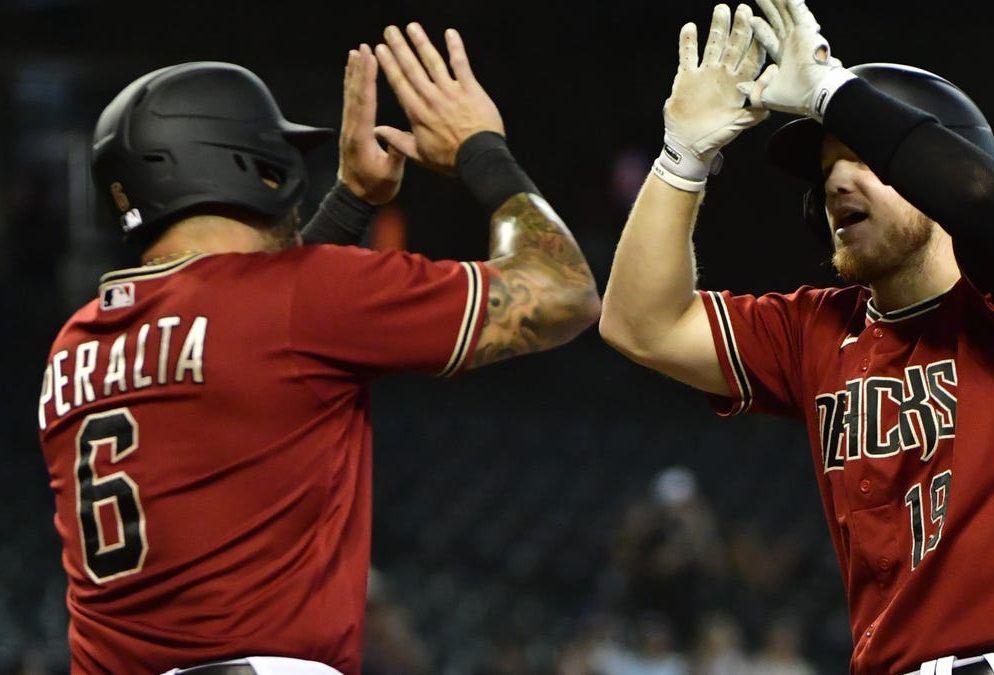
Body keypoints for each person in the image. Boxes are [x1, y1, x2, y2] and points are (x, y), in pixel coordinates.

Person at [37, 22, 599, 675]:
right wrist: (481, 149)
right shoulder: (301, 298)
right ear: (249, 165)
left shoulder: (75, 342)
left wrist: (352, 202)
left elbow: (258, 339)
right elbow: (564, 292)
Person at [600, 1, 994, 673]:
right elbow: (639, 323)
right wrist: (684, 158)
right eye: (827, 170)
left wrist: (830, 90)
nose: (836, 182)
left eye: (866, 159)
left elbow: (980, 199)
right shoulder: (817, 328)